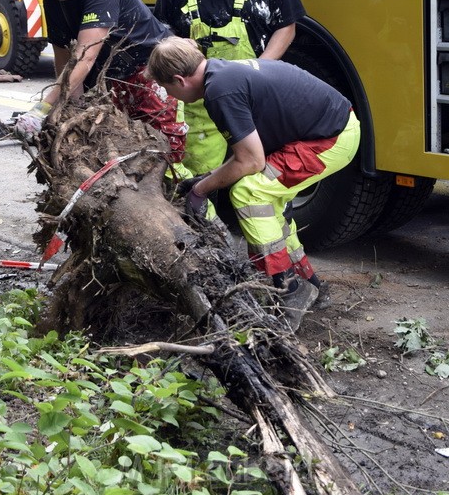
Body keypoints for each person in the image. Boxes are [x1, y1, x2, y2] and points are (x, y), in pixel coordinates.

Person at [146, 37, 360, 330]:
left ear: (179, 80)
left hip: (330, 138)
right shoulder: (221, 73)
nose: (171, 96)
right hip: (331, 128)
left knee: (250, 194)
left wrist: (201, 190)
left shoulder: (219, 92)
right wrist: (207, 179)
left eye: (167, 89)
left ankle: (288, 293)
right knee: (268, 200)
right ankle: (309, 283)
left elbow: (250, 161)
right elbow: (246, 155)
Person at [14, 0, 188, 172]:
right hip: (114, 82)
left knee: (165, 152)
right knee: (123, 154)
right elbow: (64, 58)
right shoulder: (53, 0)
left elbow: (86, 55)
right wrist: (72, 109)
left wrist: (42, 109)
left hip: (150, 74)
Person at [153, 0, 306, 176]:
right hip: (199, 105)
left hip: (252, 97)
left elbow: (287, 25)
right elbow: (163, 34)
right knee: (199, 181)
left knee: (259, 174)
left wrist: (259, 71)